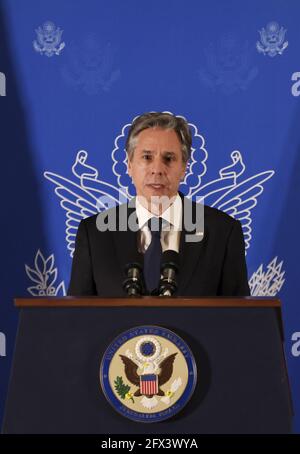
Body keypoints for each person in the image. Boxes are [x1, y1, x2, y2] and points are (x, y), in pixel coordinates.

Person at [68, 112, 250, 297]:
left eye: (169, 159)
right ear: (129, 164)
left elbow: (238, 320)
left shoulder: (223, 232)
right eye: (147, 157)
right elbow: (76, 320)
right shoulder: (95, 234)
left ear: (184, 167)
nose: (157, 170)